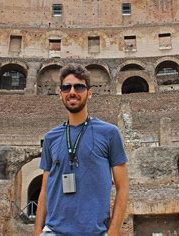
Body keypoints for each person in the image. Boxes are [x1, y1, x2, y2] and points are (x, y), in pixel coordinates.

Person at [34, 64, 129, 236]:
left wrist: (113, 232)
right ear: (60, 94)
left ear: (89, 92)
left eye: (79, 86)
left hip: (94, 232)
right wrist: (37, 231)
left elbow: (123, 187)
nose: (72, 91)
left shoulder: (109, 133)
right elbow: (45, 190)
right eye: (66, 87)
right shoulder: (50, 138)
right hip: (53, 231)